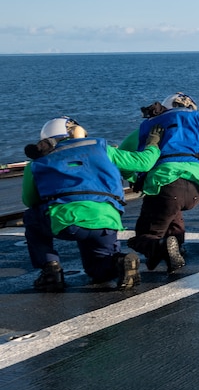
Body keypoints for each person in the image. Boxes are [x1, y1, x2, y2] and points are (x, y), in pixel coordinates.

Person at [22, 116, 163, 292]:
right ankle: (119, 261)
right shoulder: (103, 148)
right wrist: (153, 143)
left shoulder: (36, 163)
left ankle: (50, 269)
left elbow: (29, 200)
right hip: (105, 219)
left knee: (31, 217)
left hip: (66, 221)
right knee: (99, 271)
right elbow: (144, 163)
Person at [118, 93, 199, 274]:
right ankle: (177, 248)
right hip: (197, 187)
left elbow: (123, 155)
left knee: (145, 234)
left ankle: (160, 246)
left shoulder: (151, 126)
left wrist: (133, 178)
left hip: (165, 185)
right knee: (172, 210)